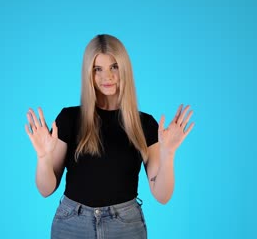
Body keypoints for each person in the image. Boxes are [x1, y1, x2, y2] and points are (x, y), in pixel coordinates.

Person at [25, 34, 194, 239]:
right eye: (98, 69)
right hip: (72, 224)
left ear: (125, 69)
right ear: (89, 73)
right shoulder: (69, 119)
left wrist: (169, 154)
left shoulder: (145, 125)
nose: (108, 76)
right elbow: (46, 189)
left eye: (114, 66)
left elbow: (162, 195)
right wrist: (43, 158)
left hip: (124, 225)